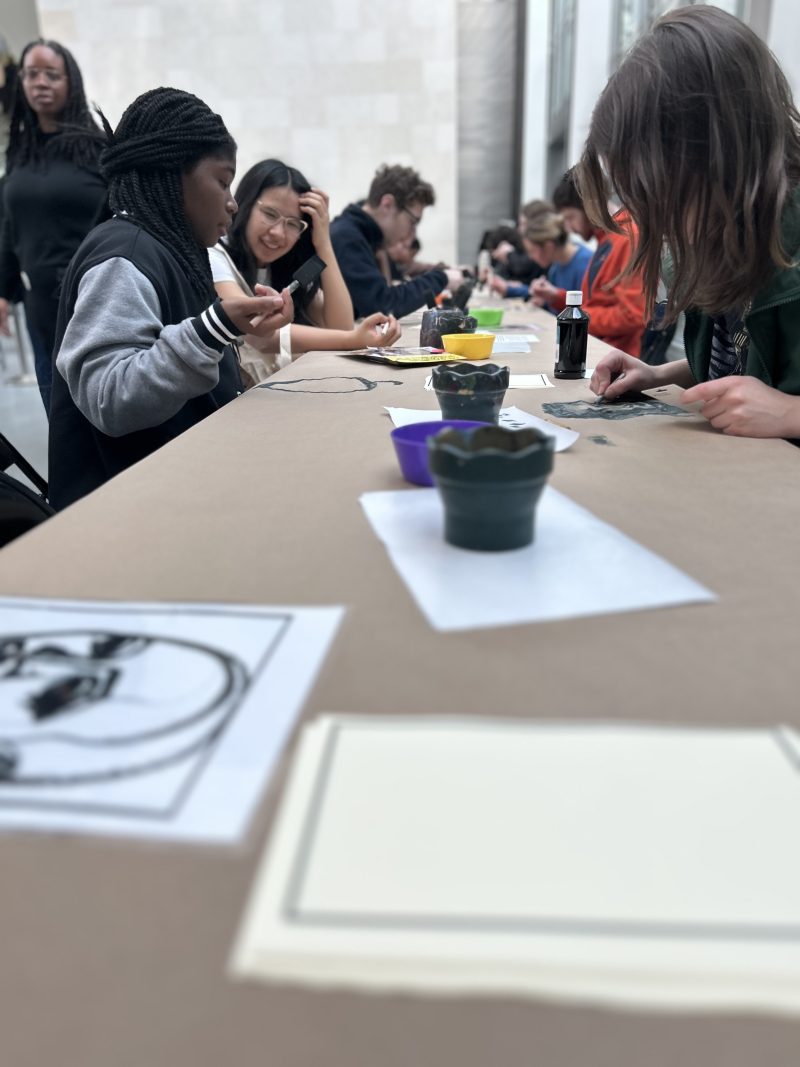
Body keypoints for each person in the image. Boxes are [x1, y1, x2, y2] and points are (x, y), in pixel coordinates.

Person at [47, 87, 293, 510]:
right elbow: (109, 397)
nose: (232, 203)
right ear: (174, 172)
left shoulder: (173, 250)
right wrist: (213, 329)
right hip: (123, 515)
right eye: (223, 182)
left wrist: (234, 329)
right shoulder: (124, 256)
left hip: (177, 494)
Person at [583, 5, 800, 439]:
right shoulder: (719, 241)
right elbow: (743, 362)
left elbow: (774, 397)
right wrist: (658, 373)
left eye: (661, 192)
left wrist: (791, 413)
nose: (652, 215)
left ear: (719, 156)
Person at [211, 159, 401, 382]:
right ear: (245, 205)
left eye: (293, 224)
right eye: (270, 214)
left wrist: (324, 243)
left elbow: (340, 326)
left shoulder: (287, 267)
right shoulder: (215, 255)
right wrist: (353, 340)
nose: (278, 233)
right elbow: (256, 330)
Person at [0, 39, 107, 413]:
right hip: (42, 312)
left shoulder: (98, 148)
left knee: (104, 415)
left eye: (51, 74)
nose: (40, 82)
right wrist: (3, 291)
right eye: (32, 74)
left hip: (95, 303)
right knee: (60, 419)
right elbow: (10, 225)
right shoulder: (20, 151)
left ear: (71, 82)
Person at [532, 168, 646, 356]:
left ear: (589, 205)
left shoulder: (626, 239)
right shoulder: (607, 239)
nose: (569, 228)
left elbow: (632, 315)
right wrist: (557, 297)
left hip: (613, 358)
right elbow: (598, 301)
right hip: (596, 351)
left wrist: (581, 318)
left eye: (570, 217)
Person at [330, 164, 464, 318]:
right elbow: (382, 306)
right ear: (387, 204)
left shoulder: (366, 235)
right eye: (412, 222)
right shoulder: (347, 237)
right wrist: (441, 278)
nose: (412, 234)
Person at [491, 206, 592, 309]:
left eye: (532, 251)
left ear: (548, 247)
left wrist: (553, 296)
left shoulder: (585, 264)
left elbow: (585, 310)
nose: (530, 257)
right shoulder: (557, 264)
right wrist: (544, 299)